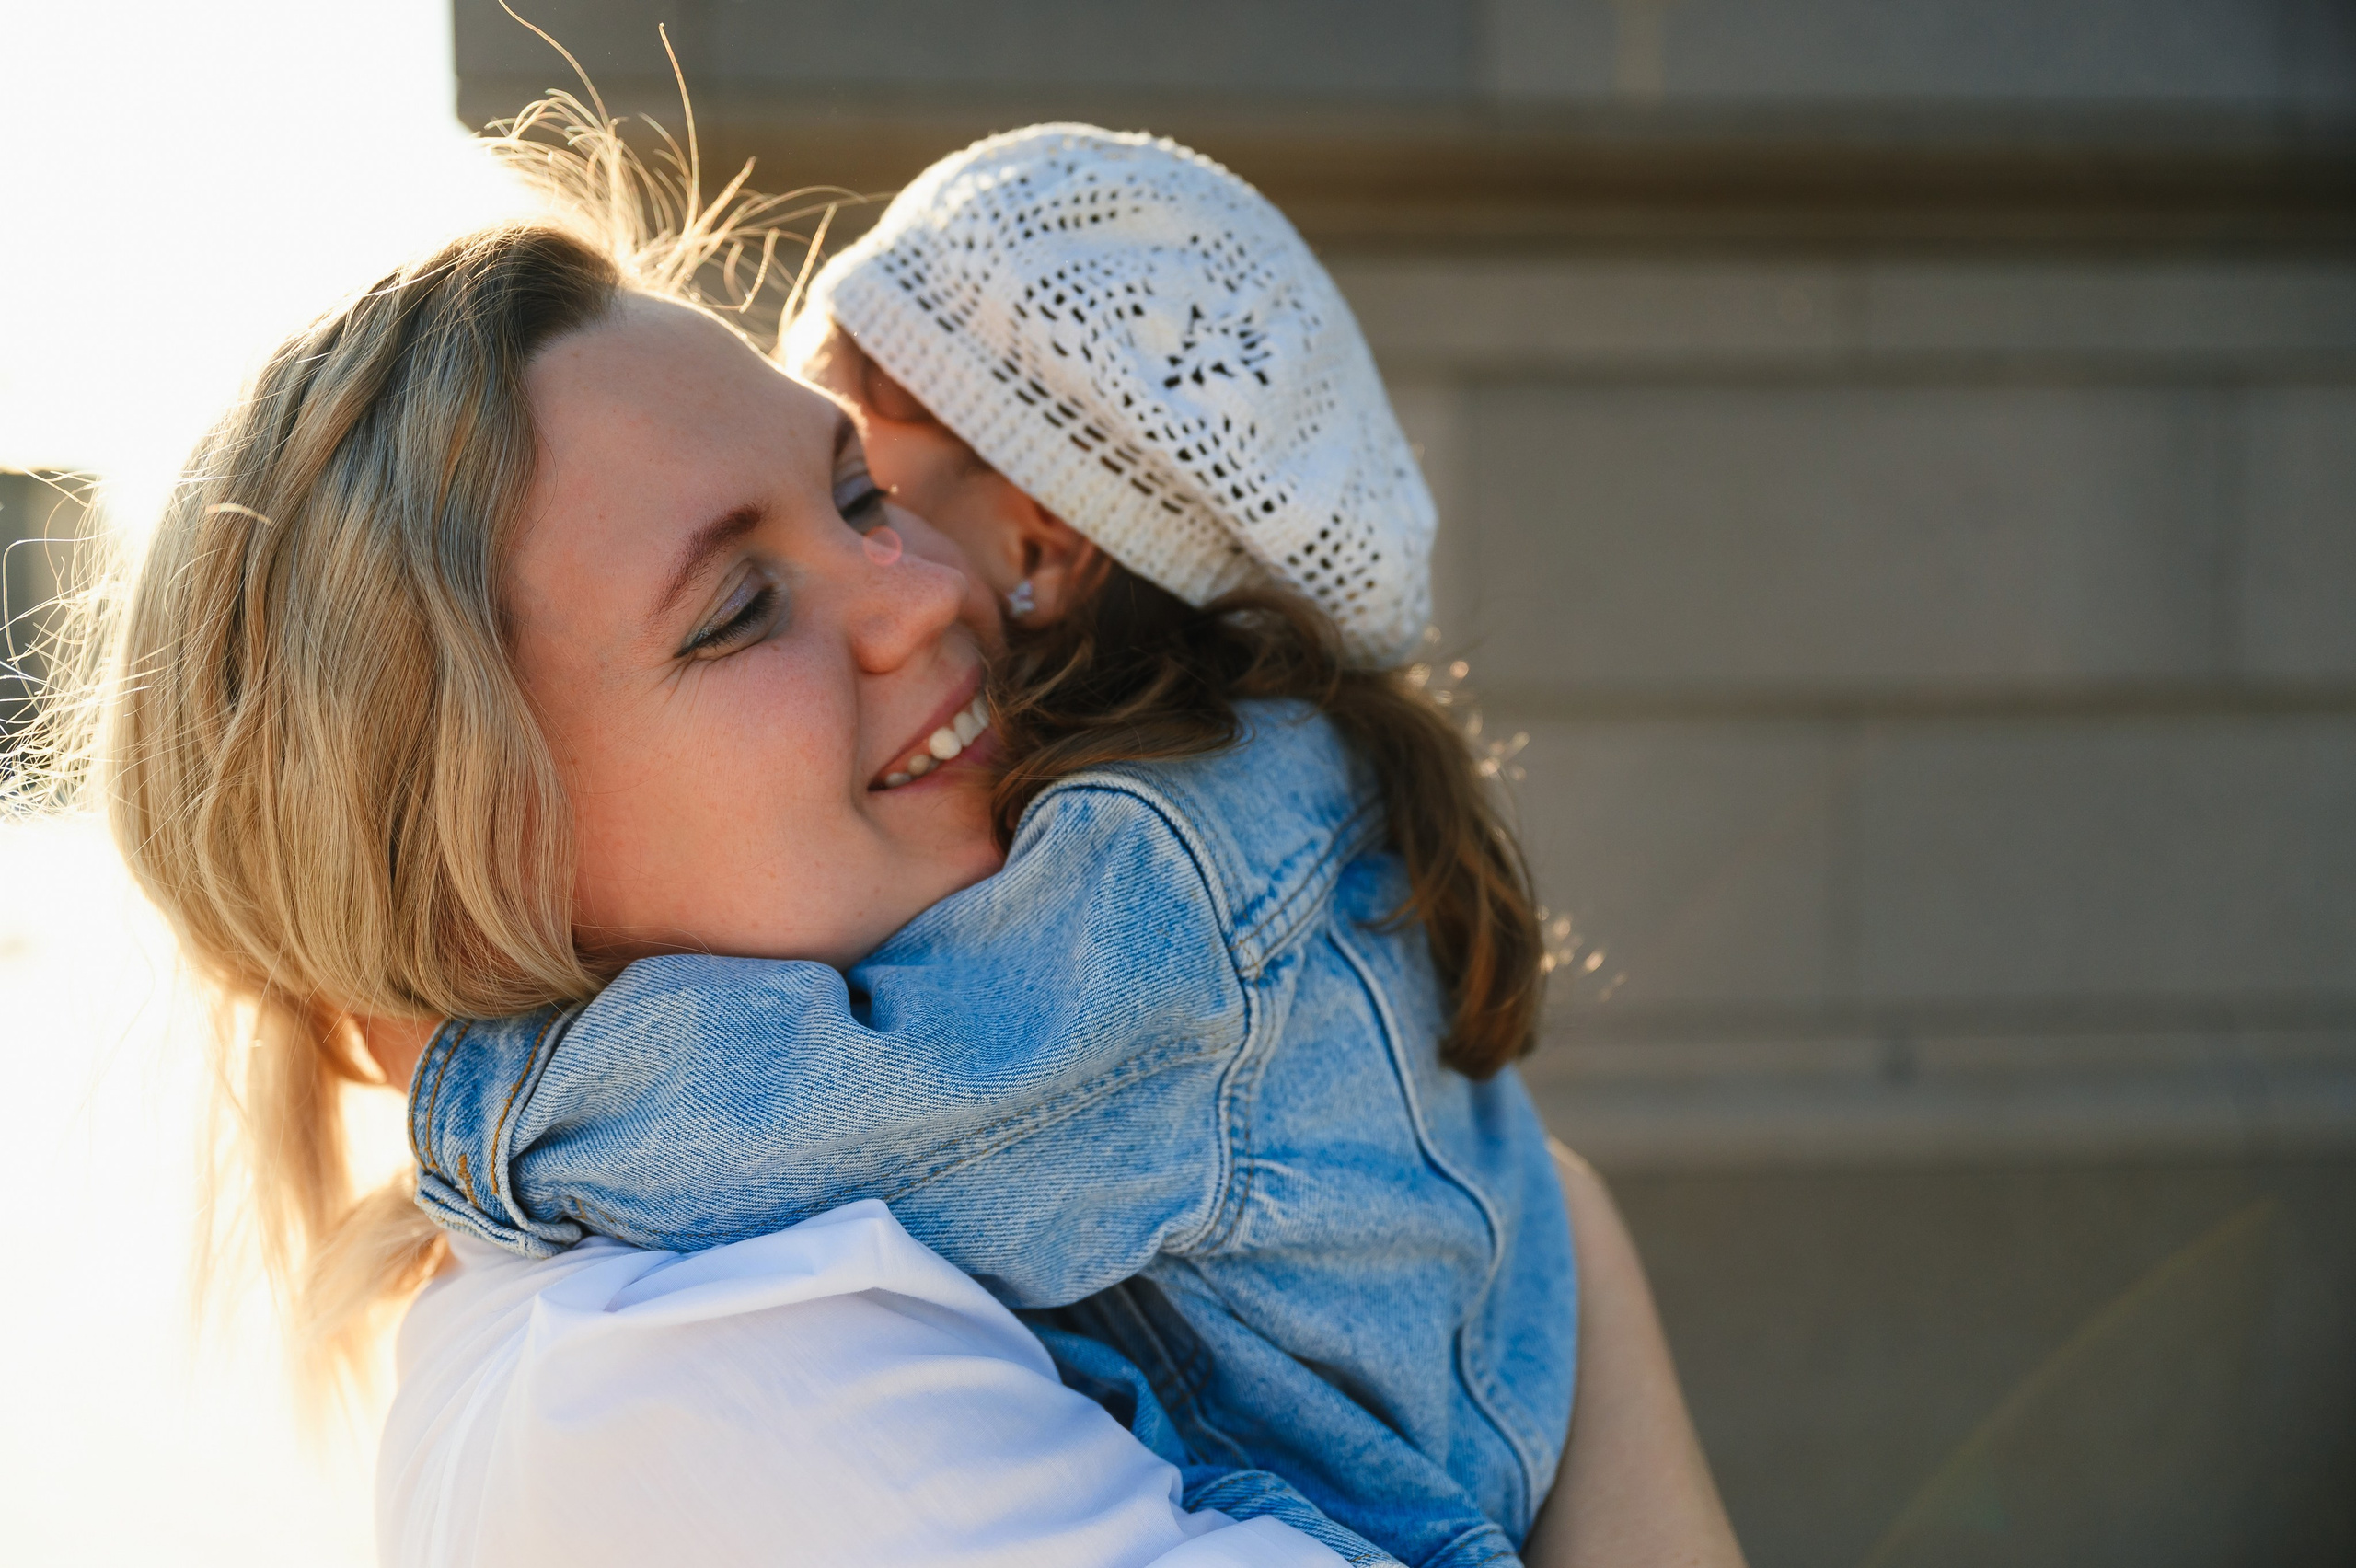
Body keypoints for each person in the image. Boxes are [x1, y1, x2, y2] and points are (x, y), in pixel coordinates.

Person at [62, 95, 1740, 1567]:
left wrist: (494, 1107)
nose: (932, 591)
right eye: (734, 609)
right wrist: (1585, 1262)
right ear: (462, 869)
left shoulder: (1126, 910)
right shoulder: (687, 1380)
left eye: (862, 492)